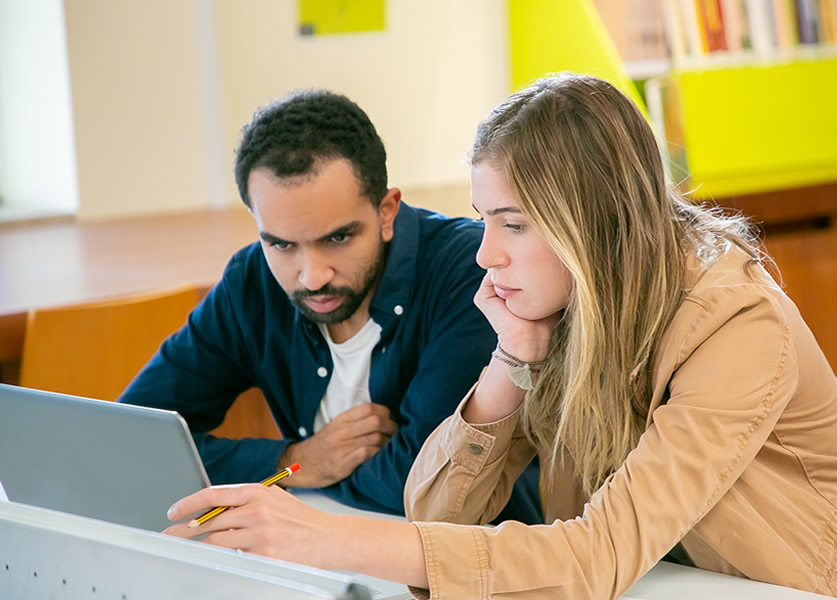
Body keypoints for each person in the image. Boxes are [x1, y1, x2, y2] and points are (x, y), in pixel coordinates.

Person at [163, 75, 837, 600]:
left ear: (590, 224)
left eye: (512, 224)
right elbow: (440, 511)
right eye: (485, 221)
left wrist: (341, 536)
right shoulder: (557, 313)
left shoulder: (734, 322)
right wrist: (511, 360)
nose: (484, 254)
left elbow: (595, 557)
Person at [120, 89, 542, 524]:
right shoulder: (252, 280)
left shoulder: (470, 272)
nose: (312, 275)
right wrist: (296, 460)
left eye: (337, 238)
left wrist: (304, 475)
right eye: (282, 244)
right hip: (318, 556)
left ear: (386, 211)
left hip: (469, 566)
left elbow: (424, 485)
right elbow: (133, 436)